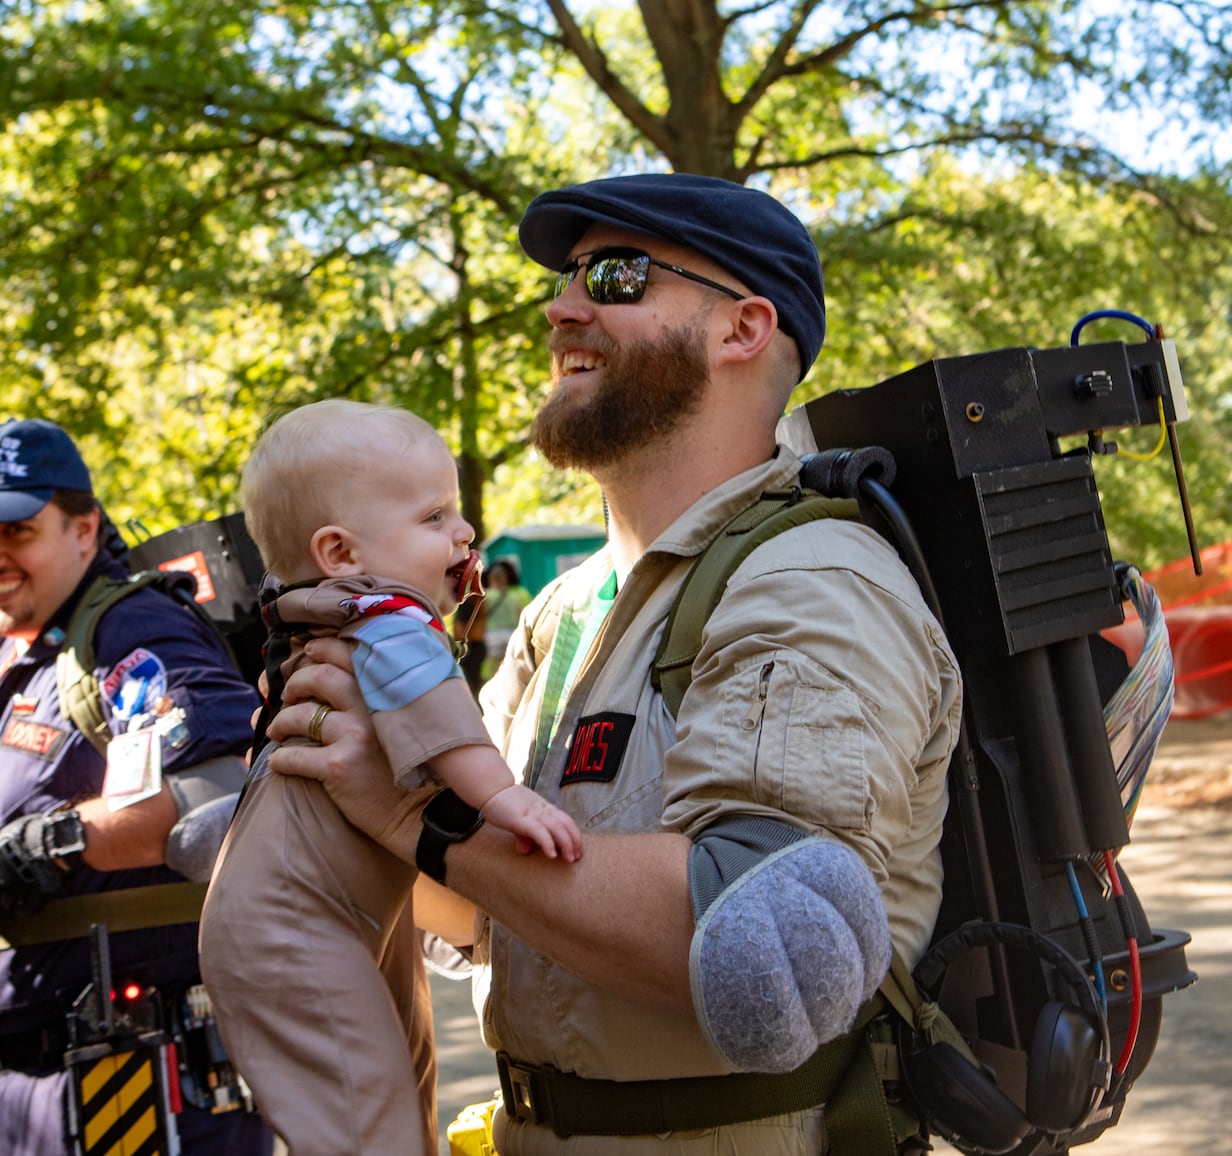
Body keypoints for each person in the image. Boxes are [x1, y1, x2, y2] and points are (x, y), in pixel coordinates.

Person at [263, 174, 964, 1155]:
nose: (561, 307)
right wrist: (324, 784)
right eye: (564, 278)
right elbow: (482, 907)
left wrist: (415, 809)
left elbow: (753, 944)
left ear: (741, 330)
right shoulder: (565, 609)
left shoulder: (810, 578)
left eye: (614, 274)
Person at [0, 417, 273, 1156]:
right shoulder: (2, 661)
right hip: (23, 1081)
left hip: (136, 1078)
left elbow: (225, 790)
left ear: (83, 530)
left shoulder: (130, 630)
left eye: (14, 533)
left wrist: (57, 840)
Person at [199, 400, 582, 1156]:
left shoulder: (325, 620)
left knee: (404, 1095)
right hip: (293, 925)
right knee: (367, 1124)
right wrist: (505, 798)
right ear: (339, 552)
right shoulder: (386, 620)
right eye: (435, 515)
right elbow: (443, 719)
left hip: (331, 912)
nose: (464, 532)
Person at [477, 559, 530, 681]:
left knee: (492, 666)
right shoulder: (515, 595)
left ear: (490, 579)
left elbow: (482, 616)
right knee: (510, 663)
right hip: (511, 633)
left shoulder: (486, 595)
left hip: (492, 635)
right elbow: (520, 614)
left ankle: (492, 685)